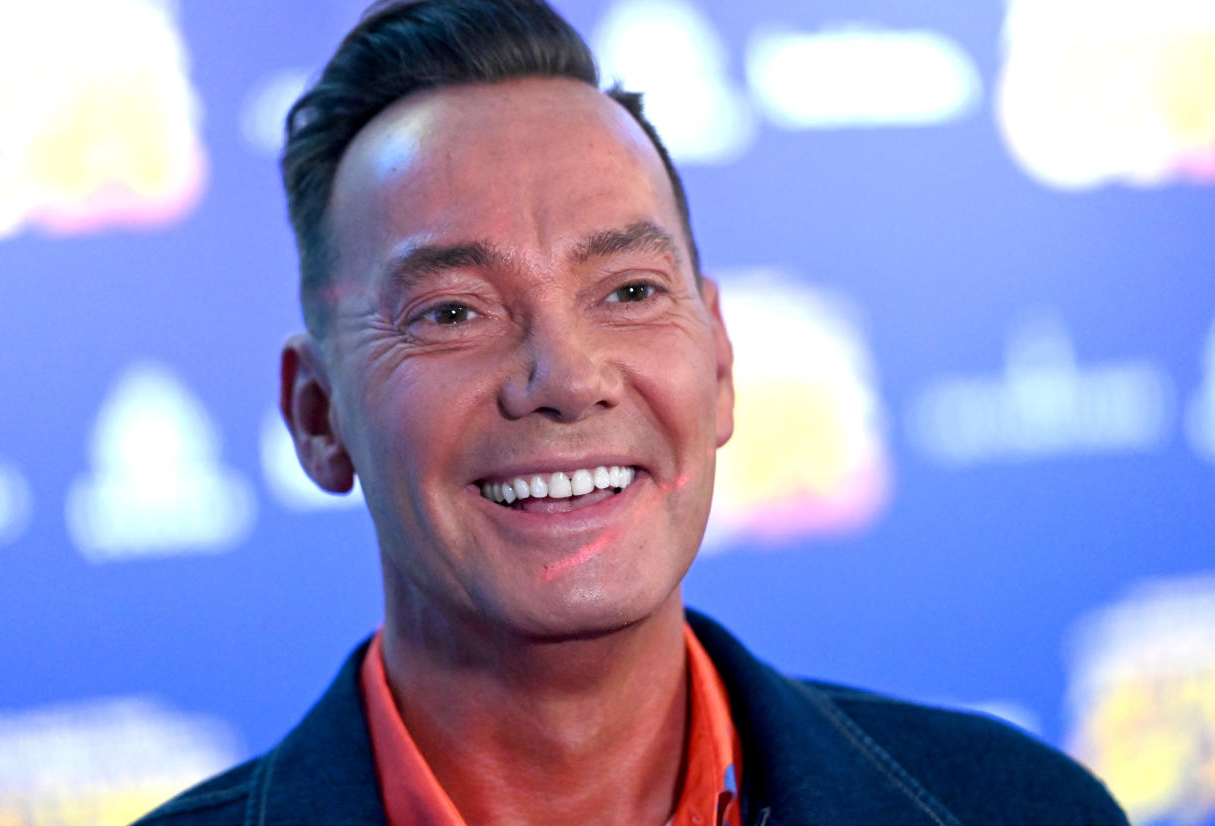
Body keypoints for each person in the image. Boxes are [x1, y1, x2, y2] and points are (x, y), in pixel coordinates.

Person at [134, 1, 1128, 823]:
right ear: (317, 416)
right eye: (451, 312)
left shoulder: (1021, 807)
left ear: (721, 358)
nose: (566, 376)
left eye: (630, 291)